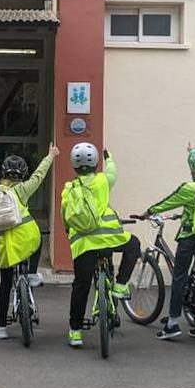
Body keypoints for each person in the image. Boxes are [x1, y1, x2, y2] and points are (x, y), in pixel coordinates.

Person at [60, 143, 138, 349]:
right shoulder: (103, 181)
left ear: (74, 167)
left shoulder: (69, 188)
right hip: (111, 238)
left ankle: (75, 331)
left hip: (84, 244)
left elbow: (65, 215)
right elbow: (113, 171)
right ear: (95, 163)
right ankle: (120, 285)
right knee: (134, 245)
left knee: (81, 286)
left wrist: (69, 232)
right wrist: (108, 156)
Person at [143, 146, 195, 341]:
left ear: (193, 167)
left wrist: (149, 211)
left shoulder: (189, 188)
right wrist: (185, 213)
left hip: (190, 236)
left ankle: (172, 323)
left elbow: (169, 202)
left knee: (180, 278)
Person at [0, 144, 59, 340]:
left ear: (3, 172)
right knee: (38, 239)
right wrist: (50, 156)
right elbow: (39, 175)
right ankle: (33, 273)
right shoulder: (22, 190)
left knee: (5, 285)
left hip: (8, 247)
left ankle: (1, 328)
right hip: (27, 239)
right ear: (23, 174)